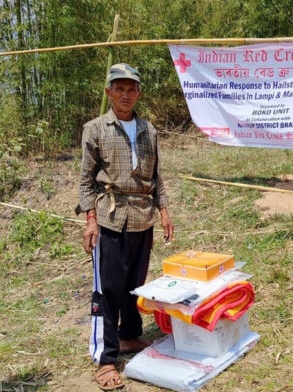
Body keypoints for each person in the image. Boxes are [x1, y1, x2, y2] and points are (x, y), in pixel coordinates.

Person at [76, 63, 175, 391]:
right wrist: (90, 220)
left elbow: (156, 174)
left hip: (142, 217)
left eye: (131, 89)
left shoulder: (149, 129)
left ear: (139, 93)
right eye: (119, 88)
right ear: (108, 92)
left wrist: (164, 210)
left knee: (135, 283)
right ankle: (105, 358)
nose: (125, 94)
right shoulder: (95, 128)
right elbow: (86, 180)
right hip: (110, 217)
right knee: (108, 290)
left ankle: (130, 336)